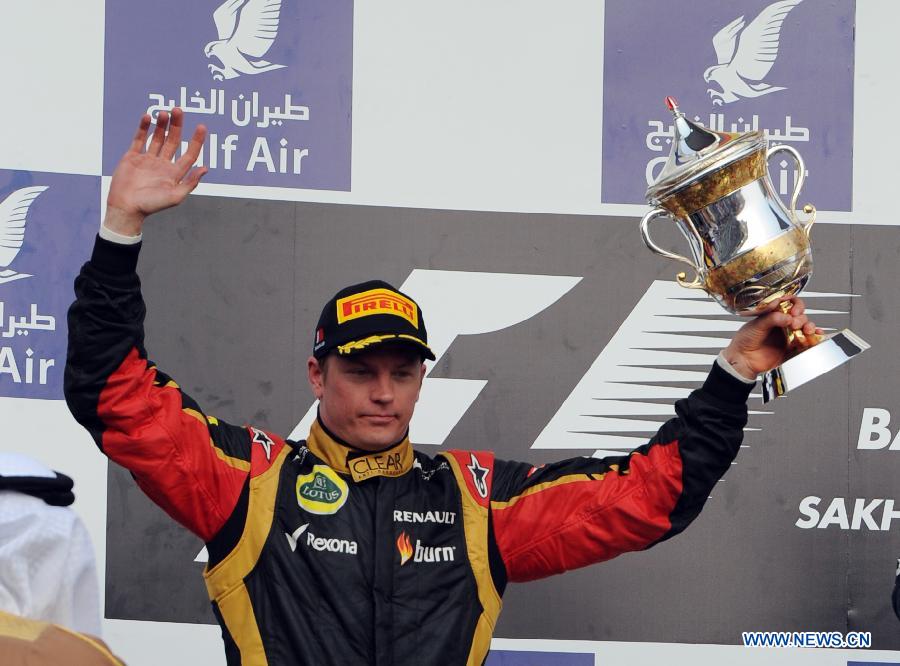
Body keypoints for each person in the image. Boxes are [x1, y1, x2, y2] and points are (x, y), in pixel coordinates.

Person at [64, 109, 822, 666]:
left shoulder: (476, 500)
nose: (383, 393)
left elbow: (648, 499)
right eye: (360, 371)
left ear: (423, 378)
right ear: (315, 376)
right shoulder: (249, 482)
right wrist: (122, 225)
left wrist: (732, 377)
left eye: (402, 372)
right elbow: (113, 392)